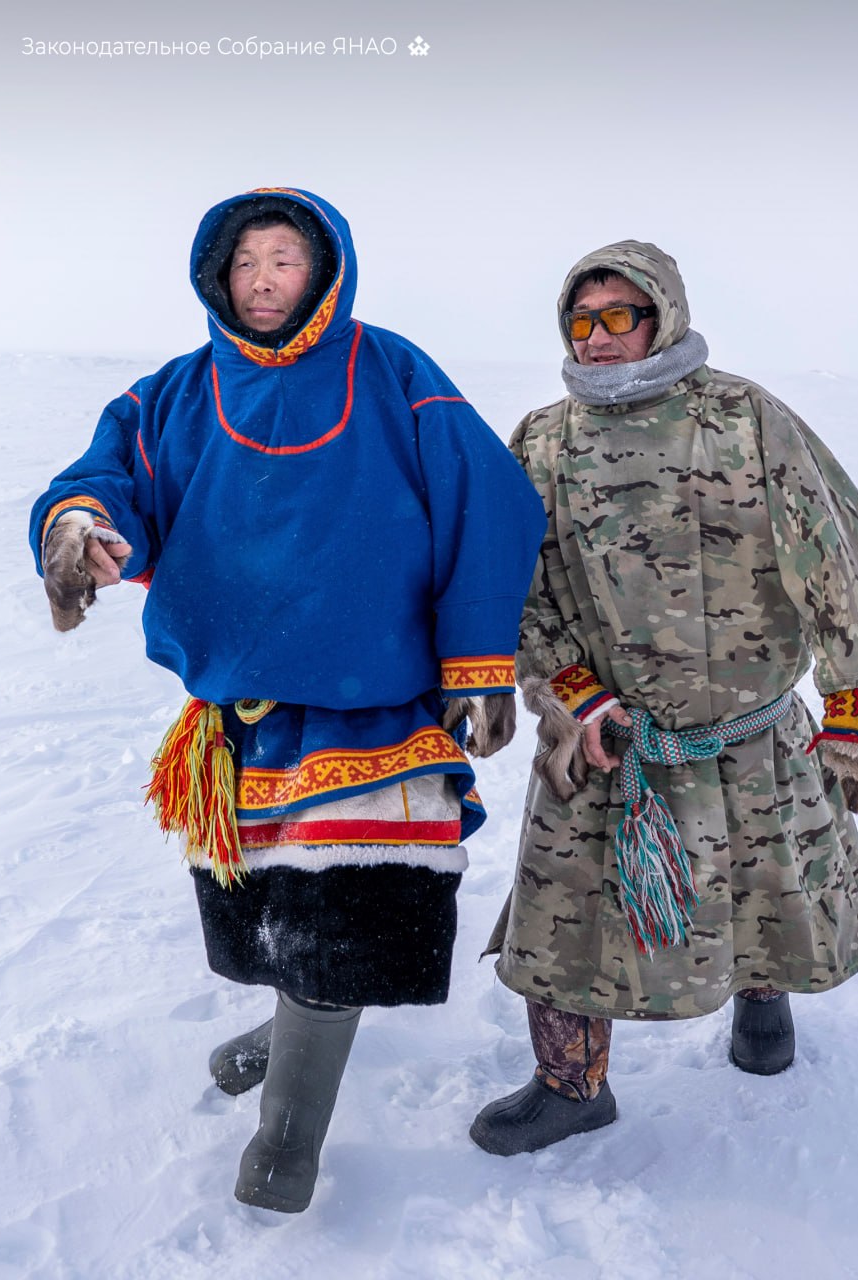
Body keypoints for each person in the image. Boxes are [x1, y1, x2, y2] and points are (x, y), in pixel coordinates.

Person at [29, 188, 546, 1211]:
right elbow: (101, 478)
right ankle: (288, 1030)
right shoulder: (173, 392)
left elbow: (487, 505)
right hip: (238, 717)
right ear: (217, 275)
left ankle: (286, 1143)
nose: (263, 280)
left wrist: (480, 663)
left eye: (284, 259)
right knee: (271, 909)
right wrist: (81, 527)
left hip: (379, 707)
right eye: (246, 262)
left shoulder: (395, 371)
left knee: (343, 919)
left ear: (325, 270)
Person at [468, 240, 858, 1156]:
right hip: (605, 740)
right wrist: (572, 692)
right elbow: (516, 587)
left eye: (618, 317)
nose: (597, 338)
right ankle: (571, 1085)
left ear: (661, 314)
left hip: (752, 732)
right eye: (581, 321)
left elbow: (834, 553)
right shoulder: (543, 441)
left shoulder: (744, 417)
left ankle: (763, 1007)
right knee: (566, 921)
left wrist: (855, 695)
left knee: (757, 883)